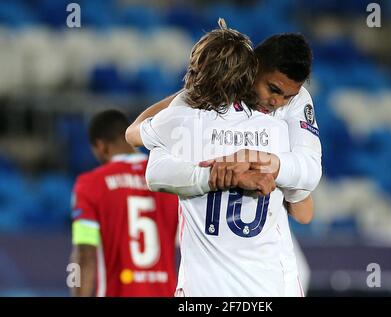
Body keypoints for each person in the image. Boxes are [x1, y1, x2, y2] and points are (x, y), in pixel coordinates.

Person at [126, 29, 321, 295]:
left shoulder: (184, 120)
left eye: (287, 97)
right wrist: (259, 166)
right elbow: (303, 208)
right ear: (252, 67)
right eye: (273, 90)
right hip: (266, 284)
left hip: (205, 288)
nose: (277, 103)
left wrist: (187, 98)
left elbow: (139, 145)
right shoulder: (276, 133)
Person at [69, 110, 179, 297]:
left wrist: (76, 287)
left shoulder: (90, 185)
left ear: (101, 147)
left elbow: (84, 254)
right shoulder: (168, 176)